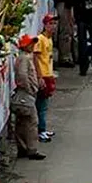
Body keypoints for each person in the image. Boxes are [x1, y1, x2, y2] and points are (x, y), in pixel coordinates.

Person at [12, 35, 46, 160]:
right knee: (32, 122)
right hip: (26, 94)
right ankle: (31, 149)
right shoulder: (24, 58)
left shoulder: (23, 57)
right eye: (31, 43)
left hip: (24, 94)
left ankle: (23, 148)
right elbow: (22, 75)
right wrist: (30, 88)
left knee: (22, 122)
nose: (32, 46)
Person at [34, 15, 57, 143]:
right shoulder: (40, 39)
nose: (53, 26)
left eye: (54, 23)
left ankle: (42, 128)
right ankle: (40, 131)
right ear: (45, 25)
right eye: (50, 23)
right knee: (41, 105)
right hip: (43, 75)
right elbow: (36, 58)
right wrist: (39, 76)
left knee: (44, 104)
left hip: (48, 74)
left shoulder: (49, 39)